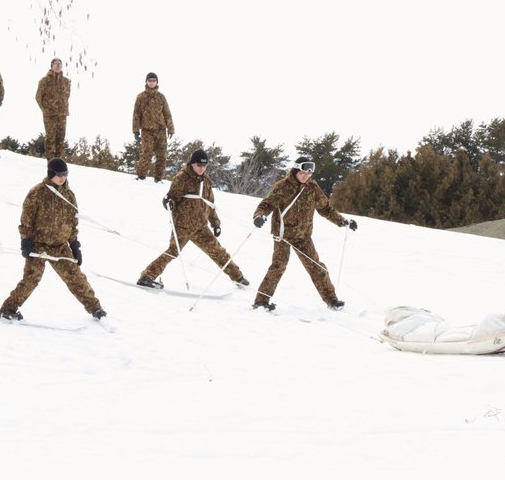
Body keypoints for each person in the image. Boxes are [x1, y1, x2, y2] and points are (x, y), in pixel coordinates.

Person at [0, 157, 107, 321]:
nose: (63, 178)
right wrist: (26, 242)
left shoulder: (69, 196)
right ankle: (8, 309)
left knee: (76, 278)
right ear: (50, 174)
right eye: (59, 174)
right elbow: (26, 220)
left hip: (60, 246)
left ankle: (96, 309)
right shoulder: (37, 193)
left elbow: (73, 222)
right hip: (38, 245)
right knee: (31, 279)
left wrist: (75, 245)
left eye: (65, 174)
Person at [250, 155, 357, 311]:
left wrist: (342, 221)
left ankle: (332, 301)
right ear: (295, 170)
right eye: (303, 173)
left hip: (303, 236)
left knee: (316, 267)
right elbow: (266, 204)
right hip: (282, 235)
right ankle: (261, 302)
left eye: (309, 174)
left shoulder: (312, 188)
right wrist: (259, 216)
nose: (305, 176)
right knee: (278, 267)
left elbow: (325, 209)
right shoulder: (282, 186)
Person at [137, 149, 250, 290]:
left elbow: (210, 204)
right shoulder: (182, 178)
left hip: (200, 226)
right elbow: (171, 197)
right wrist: (168, 202)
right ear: (192, 163)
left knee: (218, 251)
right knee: (173, 251)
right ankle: (147, 277)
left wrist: (215, 224)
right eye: (199, 165)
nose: (202, 169)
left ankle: (238, 277)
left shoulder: (206, 181)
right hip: (182, 225)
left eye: (204, 166)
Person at [131, 71, 174, 181]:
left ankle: (158, 179)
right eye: (149, 80)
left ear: (157, 82)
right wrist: (136, 130)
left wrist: (171, 129)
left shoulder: (161, 97)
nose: (151, 82)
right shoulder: (141, 97)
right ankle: (141, 177)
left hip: (160, 130)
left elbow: (167, 113)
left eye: (154, 80)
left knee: (162, 156)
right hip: (147, 131)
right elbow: (136, 114)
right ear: (146, 82)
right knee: (146, 154)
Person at [35, 58, 71, 160]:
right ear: (51, 66)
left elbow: (67, 96)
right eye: (56, 64)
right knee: (51, 138)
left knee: (61, 138)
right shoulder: (44, 80)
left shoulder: (66, 81)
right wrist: (45, 110)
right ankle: (51, 162)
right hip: (49, 115)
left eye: (60, 63)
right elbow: (38, 97)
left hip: (62, 114)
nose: (58, 65)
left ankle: (58, 162)